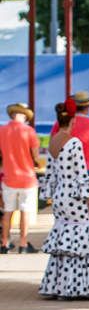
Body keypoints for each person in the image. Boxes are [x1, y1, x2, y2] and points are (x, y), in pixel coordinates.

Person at [39, 100, 89, 300]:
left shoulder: (54, 141)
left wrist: (49, 195)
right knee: (86, 240)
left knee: (65, 240)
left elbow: (50, 173)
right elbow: (81, 175)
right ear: (73, 119)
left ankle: (64, 288)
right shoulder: (74, 143)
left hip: (60, 196)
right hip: (74, 196)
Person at [0, 103, 40, 254]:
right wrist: (35, 163)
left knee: (8, 212)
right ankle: (23, 244)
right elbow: (35, 155)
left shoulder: (2, 130)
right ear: (23, 115)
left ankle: (4, 243)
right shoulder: (29, 131)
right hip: (27, 178)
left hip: (9, 177)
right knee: (25, 211)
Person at [49, 91, 89, 173]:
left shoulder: (60, 123)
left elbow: (52, 145)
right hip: (86, 168)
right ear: (88, 107)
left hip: (64, 169)